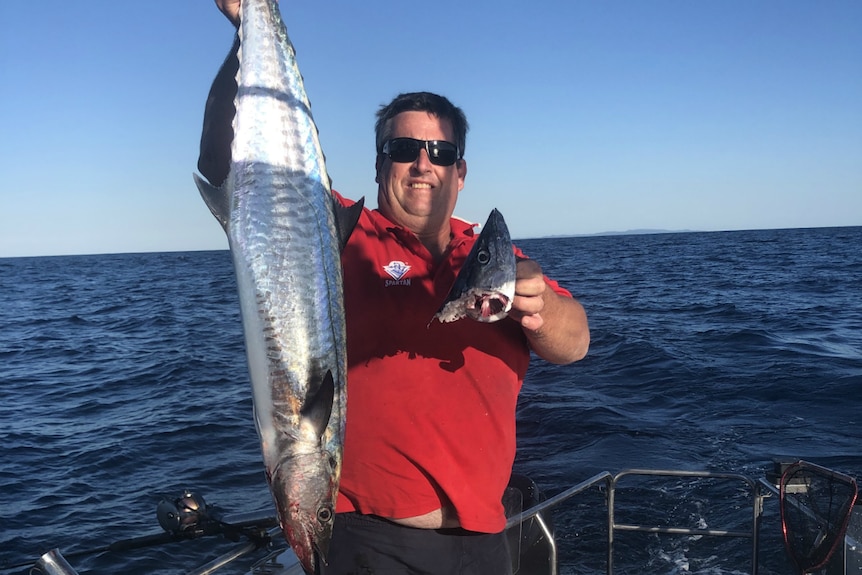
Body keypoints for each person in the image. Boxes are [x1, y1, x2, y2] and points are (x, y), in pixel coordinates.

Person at [204, 2, 590, 573]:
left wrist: (540, 306)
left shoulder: (493, 258)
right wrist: (248, 28)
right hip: (371, 545)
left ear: (461, 172)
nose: (421, 164)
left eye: (441, 153)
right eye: (403, 149)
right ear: (381, 162)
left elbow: (575, 341)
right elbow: (228, 167)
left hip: (487, 538)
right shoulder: (335, 235)